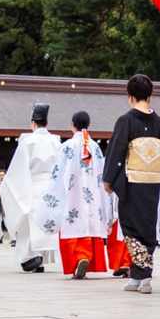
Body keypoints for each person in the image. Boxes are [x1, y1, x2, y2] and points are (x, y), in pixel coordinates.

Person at [102, 74, 160, 295]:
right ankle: (138, 276)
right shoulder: (159, 122)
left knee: (131, 227)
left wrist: (108, 178)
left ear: (130, 96)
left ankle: (143, 276)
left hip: (132, 181)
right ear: (150, 95)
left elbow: (117, 150)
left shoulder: (126, 120)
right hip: (151, 182)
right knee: (146, 226)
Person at [1, 103, 64, 273]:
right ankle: (41, 259)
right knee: (44, 222)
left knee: (28, 224)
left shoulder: (27, 141)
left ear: (33, 123)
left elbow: (18, 169)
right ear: (46, 122)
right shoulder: (56, 142)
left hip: (33, 185)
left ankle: (31, 257)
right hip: (51, 188)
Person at [54, 111, 111, 279]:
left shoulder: (67, 146)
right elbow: (102, 173)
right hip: (91, 194)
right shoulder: (95, 147)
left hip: (72, 192)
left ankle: (80, 257)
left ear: (72, 125)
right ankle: (86, 257)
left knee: (72, 223)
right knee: (88, 222)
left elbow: (58, 172)